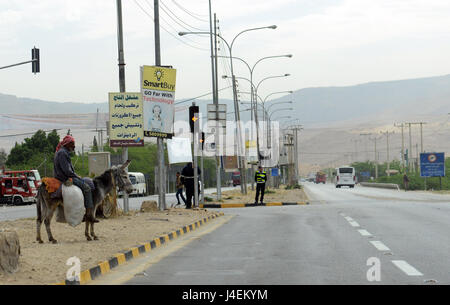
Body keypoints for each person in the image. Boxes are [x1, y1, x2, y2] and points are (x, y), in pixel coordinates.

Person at [53, 135, 98, 223]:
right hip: (65, 178)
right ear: (67, 144)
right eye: (72, 144)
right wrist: (76, 176)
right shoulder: (62, 153)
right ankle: (89, 215)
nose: (74, 146)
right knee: (87, 188)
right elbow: (67, 170)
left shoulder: (63, 152)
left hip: (65, 176)